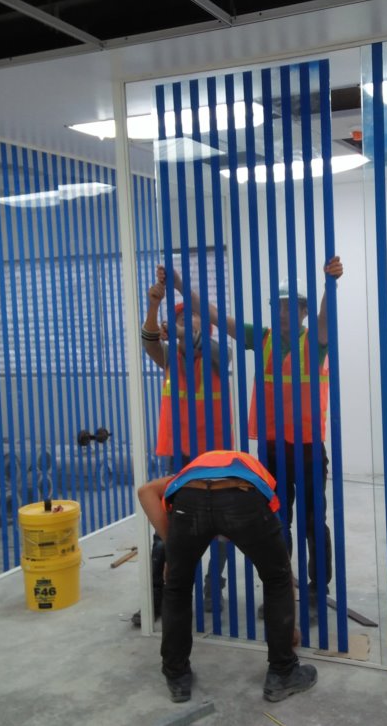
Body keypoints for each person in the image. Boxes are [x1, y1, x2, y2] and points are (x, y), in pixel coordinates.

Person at [173, 257, 343, 608]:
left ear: (304, 312)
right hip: (272, 450)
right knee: (276, 521)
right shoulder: (261, 338)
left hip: (308, 450)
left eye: (290, 307)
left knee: (314, 522)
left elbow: (326, 318)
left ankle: (316, 590)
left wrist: (330, 284)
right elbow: (214, 314)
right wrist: (178, 285)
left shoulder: (315, 340)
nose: (282, 313)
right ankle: (280, 589)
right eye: (277, 306)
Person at [138, 449, 317, 703]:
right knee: (277, 578)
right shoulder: (259, 479)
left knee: (177, 587)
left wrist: (172, 548)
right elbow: (281, 573)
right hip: (241, 497)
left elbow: (145, 491)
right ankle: (282, 673)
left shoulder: (187, 476)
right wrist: (288, 631)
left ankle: (176, 677)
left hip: (189, 502)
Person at [139, 266, 229, 622]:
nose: (186, 324)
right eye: (180, 319)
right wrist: (153, 305)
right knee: (166, 527)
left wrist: (177, 331)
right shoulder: (170, 359)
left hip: (214, 457)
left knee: (221, 524)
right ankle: (159, 598)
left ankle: (213, 586)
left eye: (193, 320)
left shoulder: (218, 355)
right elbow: (149, 341)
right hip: (178, 456)